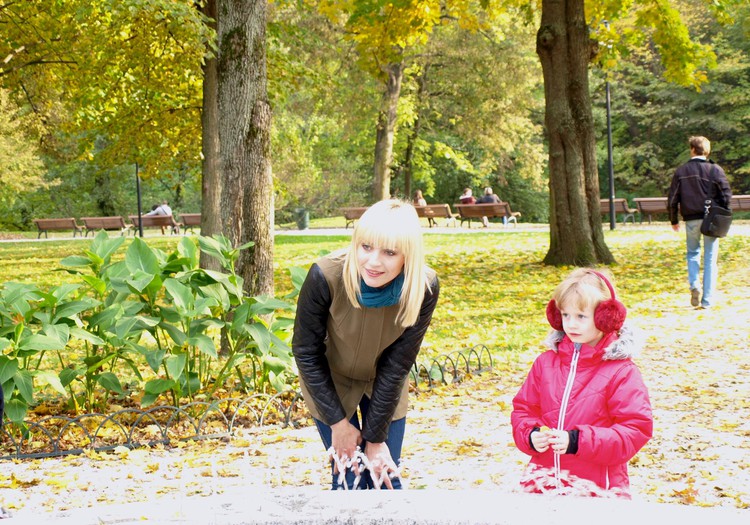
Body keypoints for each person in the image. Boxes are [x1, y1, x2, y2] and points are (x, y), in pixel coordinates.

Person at [292, 199, 439, 490]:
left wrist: (376, 438)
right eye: (366, 247)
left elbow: (397, 365)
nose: (373, 261)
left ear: (407, 256)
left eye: (389, 252)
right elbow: (306, 351)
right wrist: (338, 424)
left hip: (383, 383)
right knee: (350, 481)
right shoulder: (325, 276)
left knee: (383, 476)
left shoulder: (424, 287)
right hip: (330, 382)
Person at [511, 268, 652, 498]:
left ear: (605, 317)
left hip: (596, 489)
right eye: (565, 315)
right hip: (543, 483)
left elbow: (634, 430)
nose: (571, 324)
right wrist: (530, 434)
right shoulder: (545, 363)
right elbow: (523, 410)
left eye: (581, 316)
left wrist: (578, 441)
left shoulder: (621, 372)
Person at [668, 136, 732, 309]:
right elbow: (726, 195)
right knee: (710, 259)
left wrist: (674, 219)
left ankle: (694, 285)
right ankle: (707, 301)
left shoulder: (681, 171)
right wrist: (724, 214)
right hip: (712, 219)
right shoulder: (715, 170)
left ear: (692, 150)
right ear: (707, 151)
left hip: (691, 220)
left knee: (692, 253)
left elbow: (673, 198)